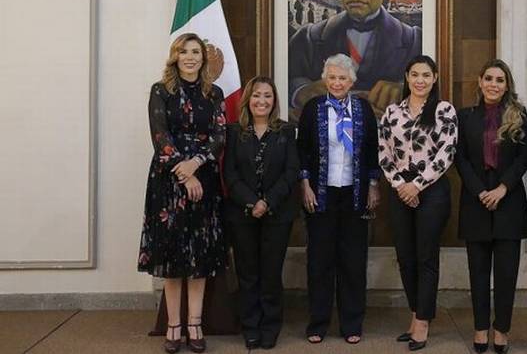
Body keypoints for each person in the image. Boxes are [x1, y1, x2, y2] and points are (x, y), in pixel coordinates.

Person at [137, 32, 227, 354]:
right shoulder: (160, 91)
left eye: (195, 52)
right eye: (184, 52)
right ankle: (173, 326)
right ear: (175, 57)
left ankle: (195, 324)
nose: (190, 57)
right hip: (168, 181)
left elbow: (219, 136)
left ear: (203, 58)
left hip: (204, 177)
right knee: (173, 256)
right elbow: (159, 135)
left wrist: (195, 164)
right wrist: (183, 171)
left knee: (199, 255)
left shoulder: (214, 93)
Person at [297, 54, 381, 345]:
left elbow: (372, 150)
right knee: (319, 261)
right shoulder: (313, 108)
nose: (336, 83)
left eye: (342, 78)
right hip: (321, 194)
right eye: (332, 77)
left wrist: (373, 185)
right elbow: (302, 150)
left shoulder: (363, 109)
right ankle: (318, 323)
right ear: (325, 79)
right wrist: (305, 185)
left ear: (352, 81)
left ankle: (352, 323)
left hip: (354, 194)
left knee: (353, 262)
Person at [378, 55, 458, 351]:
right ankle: (415, 313)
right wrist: (401, 185)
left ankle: (423, 321)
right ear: (407, 77)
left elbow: (446, 153)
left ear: (434, 78)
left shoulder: (444, 110)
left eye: (426, 75)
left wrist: (418, 184)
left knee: (426, 257)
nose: (420, 80)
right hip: (400, 190)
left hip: (432, 190)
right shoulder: (392, 112)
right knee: (405, 256)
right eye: (415, 74)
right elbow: (383, 152)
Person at [288, 0, 422, 118]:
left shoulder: (414, 41)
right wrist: (301, 91)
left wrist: (407, 89)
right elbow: (288, 77)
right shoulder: (308, 38)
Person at [455, 60, 527, 354]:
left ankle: (501, 330)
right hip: (475, 200)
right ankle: (480, 328)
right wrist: (480, 191)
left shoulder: (518, 115)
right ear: (480, 81)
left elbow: (525, 157)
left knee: (506, 274)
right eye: (489, 78)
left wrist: (502, 188)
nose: (494, 84)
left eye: (500, 80)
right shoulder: (465, 116)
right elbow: (460, 158)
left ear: (506, 85)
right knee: (478, 273)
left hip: (508, 200)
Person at [223, 76, 299, 350]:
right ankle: (250, 326)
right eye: (256, 95)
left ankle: (270, 326)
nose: (262, 101)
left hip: (277, 213)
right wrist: (251, 202)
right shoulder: (234, 132)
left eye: (267, 95)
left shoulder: (286, 131)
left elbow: (291, 172)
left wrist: (267, 202)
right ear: (248, 99)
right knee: (247, 272)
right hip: (241, 214)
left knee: (270, 272)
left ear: (274, 100)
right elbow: (230, 174)